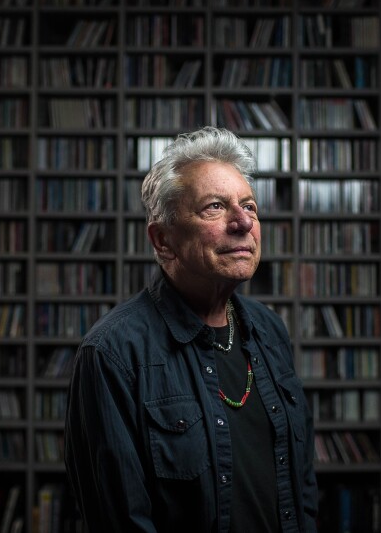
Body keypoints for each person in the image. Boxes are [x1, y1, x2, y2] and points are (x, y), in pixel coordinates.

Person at [64, 126, 318, 532]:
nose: (243, 222)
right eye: (215, 207)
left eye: (249, 206)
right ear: (163, 240)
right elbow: (121, 521)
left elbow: (301, 485)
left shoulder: (269, 329)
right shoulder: (112, 353)